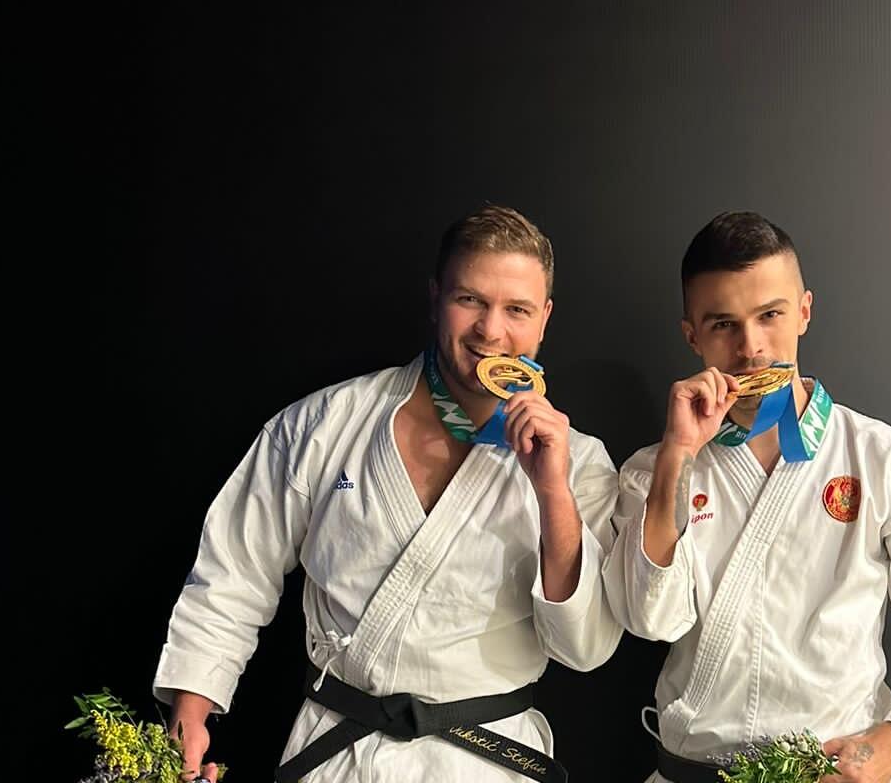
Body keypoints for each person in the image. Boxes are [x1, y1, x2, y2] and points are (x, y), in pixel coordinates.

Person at [154, 205, 623, 783]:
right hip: (337, 754)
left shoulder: (580, 464)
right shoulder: (325, 423)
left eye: (516, 309)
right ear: (436, 297)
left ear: (544, 318)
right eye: (470, 299)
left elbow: (584, 647)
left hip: (485, 763)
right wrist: (192, 712)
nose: (490, 330)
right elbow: (233, 574)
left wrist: (551, 489)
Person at [603, 211, 891, 783]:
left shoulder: (885, 458)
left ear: (804, 311)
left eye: (770, 315)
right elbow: (649, 619)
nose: (751, 347)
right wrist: (677, 454)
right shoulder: (653, 470)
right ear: (693, 336)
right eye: (723, 324)